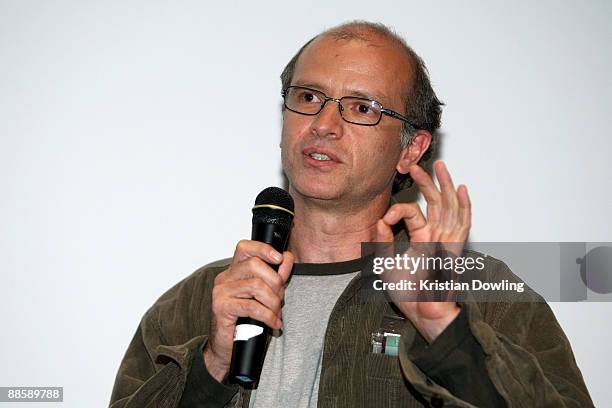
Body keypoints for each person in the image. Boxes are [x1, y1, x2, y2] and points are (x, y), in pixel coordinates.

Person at [109, 21, 593, 407]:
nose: (323, 124)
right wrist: (211, 366)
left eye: (362, 107)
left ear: (412, 149)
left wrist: (445, 331)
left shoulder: (476, 290)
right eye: (308, 98)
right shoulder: (200, 301)